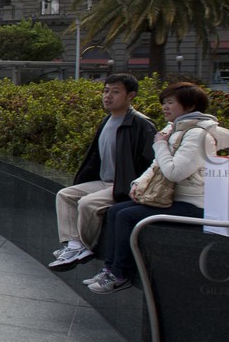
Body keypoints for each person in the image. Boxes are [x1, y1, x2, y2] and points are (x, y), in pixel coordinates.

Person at [87, 83, 229, 294]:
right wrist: (138, 183)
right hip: (172, 198)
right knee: (115, 210)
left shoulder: (198, 135)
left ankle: (120, 274)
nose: (165, 107)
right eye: (164, 103)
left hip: (193, 204)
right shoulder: (174, 128)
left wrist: (160, 145)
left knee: (126, 216)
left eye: (170, 103)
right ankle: (110, 269)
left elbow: (175, 172)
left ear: (190, 105)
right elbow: (156, 165)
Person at [48, 74, 156, 270]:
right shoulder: (107, 121)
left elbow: (151, 161)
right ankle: (74, 244)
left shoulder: (141, 124)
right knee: (65, 195)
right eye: (106, 91)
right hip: (104, 182)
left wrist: (137, 185)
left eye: (115, 92)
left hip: (124, 185)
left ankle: (85, 246)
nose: (108, 96)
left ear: (131, 95)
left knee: (88, 204)